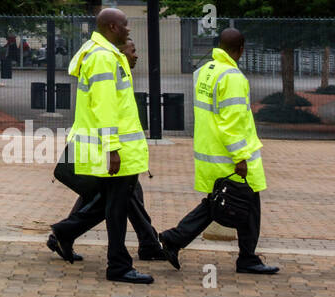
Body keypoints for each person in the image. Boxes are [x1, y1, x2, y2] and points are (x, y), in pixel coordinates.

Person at [159, 28, 278, 275]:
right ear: (241, 50)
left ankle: (176, 238)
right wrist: (240, 157)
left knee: (218, 202)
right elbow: (232, 122)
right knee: (247, 203)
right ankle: (246, 258)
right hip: (231, 156)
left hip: (209, 151)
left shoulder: (204, 71)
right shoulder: (232, 76)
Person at [48, 37, 174, 269]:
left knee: (112, 196)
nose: (136, 55)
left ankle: (65, 234)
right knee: (116, 197)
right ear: (120, 51)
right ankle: (142, 247)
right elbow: (105, 111)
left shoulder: (116, 70)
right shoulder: (106, 64)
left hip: (108, 150)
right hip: (106, 151)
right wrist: (113, 149)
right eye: (132, 50)